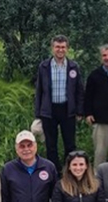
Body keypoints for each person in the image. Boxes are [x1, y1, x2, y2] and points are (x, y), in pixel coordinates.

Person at [34, 35, 85, 172]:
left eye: (63, 47)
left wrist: (80, 111)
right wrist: (38, 113)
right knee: (51, 145)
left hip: (68, 109)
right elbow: (39, 90)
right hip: (49, 110)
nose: (60, 50)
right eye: (57, 47)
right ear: (52, 48)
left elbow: (79, 90)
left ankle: (69, 171)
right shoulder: (44, 66)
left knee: (70, 144)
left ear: (67, 49)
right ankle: (53, 172)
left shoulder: (73, 66)